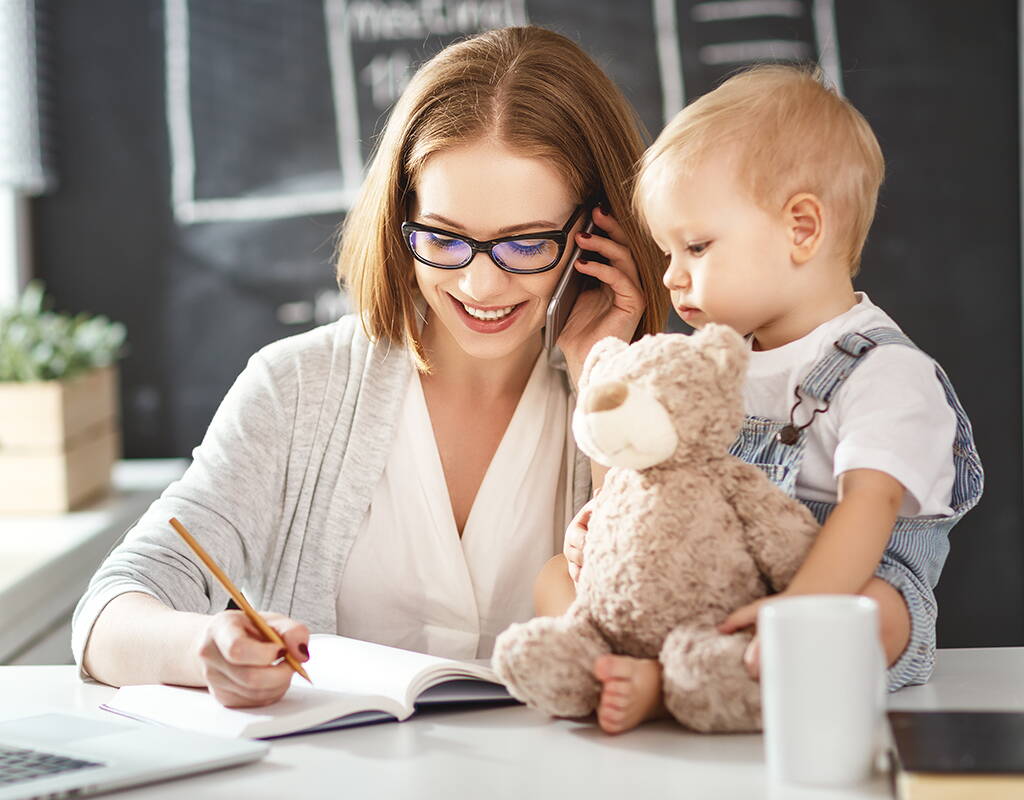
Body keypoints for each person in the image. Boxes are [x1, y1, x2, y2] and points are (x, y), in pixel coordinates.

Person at [72, 25, 666, 709]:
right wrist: (204, 648)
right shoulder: (297, 388)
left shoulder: (647, 400)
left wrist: (604, 376)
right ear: (401, 218)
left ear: (594, 234)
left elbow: (651, 636)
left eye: (525, 244)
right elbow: (109, 615)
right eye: (444, 238)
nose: (479, 286)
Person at [540, 64, 983, 734]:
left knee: (878, 612)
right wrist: (611, 526)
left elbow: (869, 507)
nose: (671, 276)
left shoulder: (885, 370)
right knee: (553, 574)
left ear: (802, 228)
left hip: (833, 589)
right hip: (718, 580)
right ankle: (609, 659)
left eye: (695, 246)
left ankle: (671, 686)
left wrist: (799, 609)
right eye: (666, 252)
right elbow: (661, 471)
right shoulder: (715, 364)